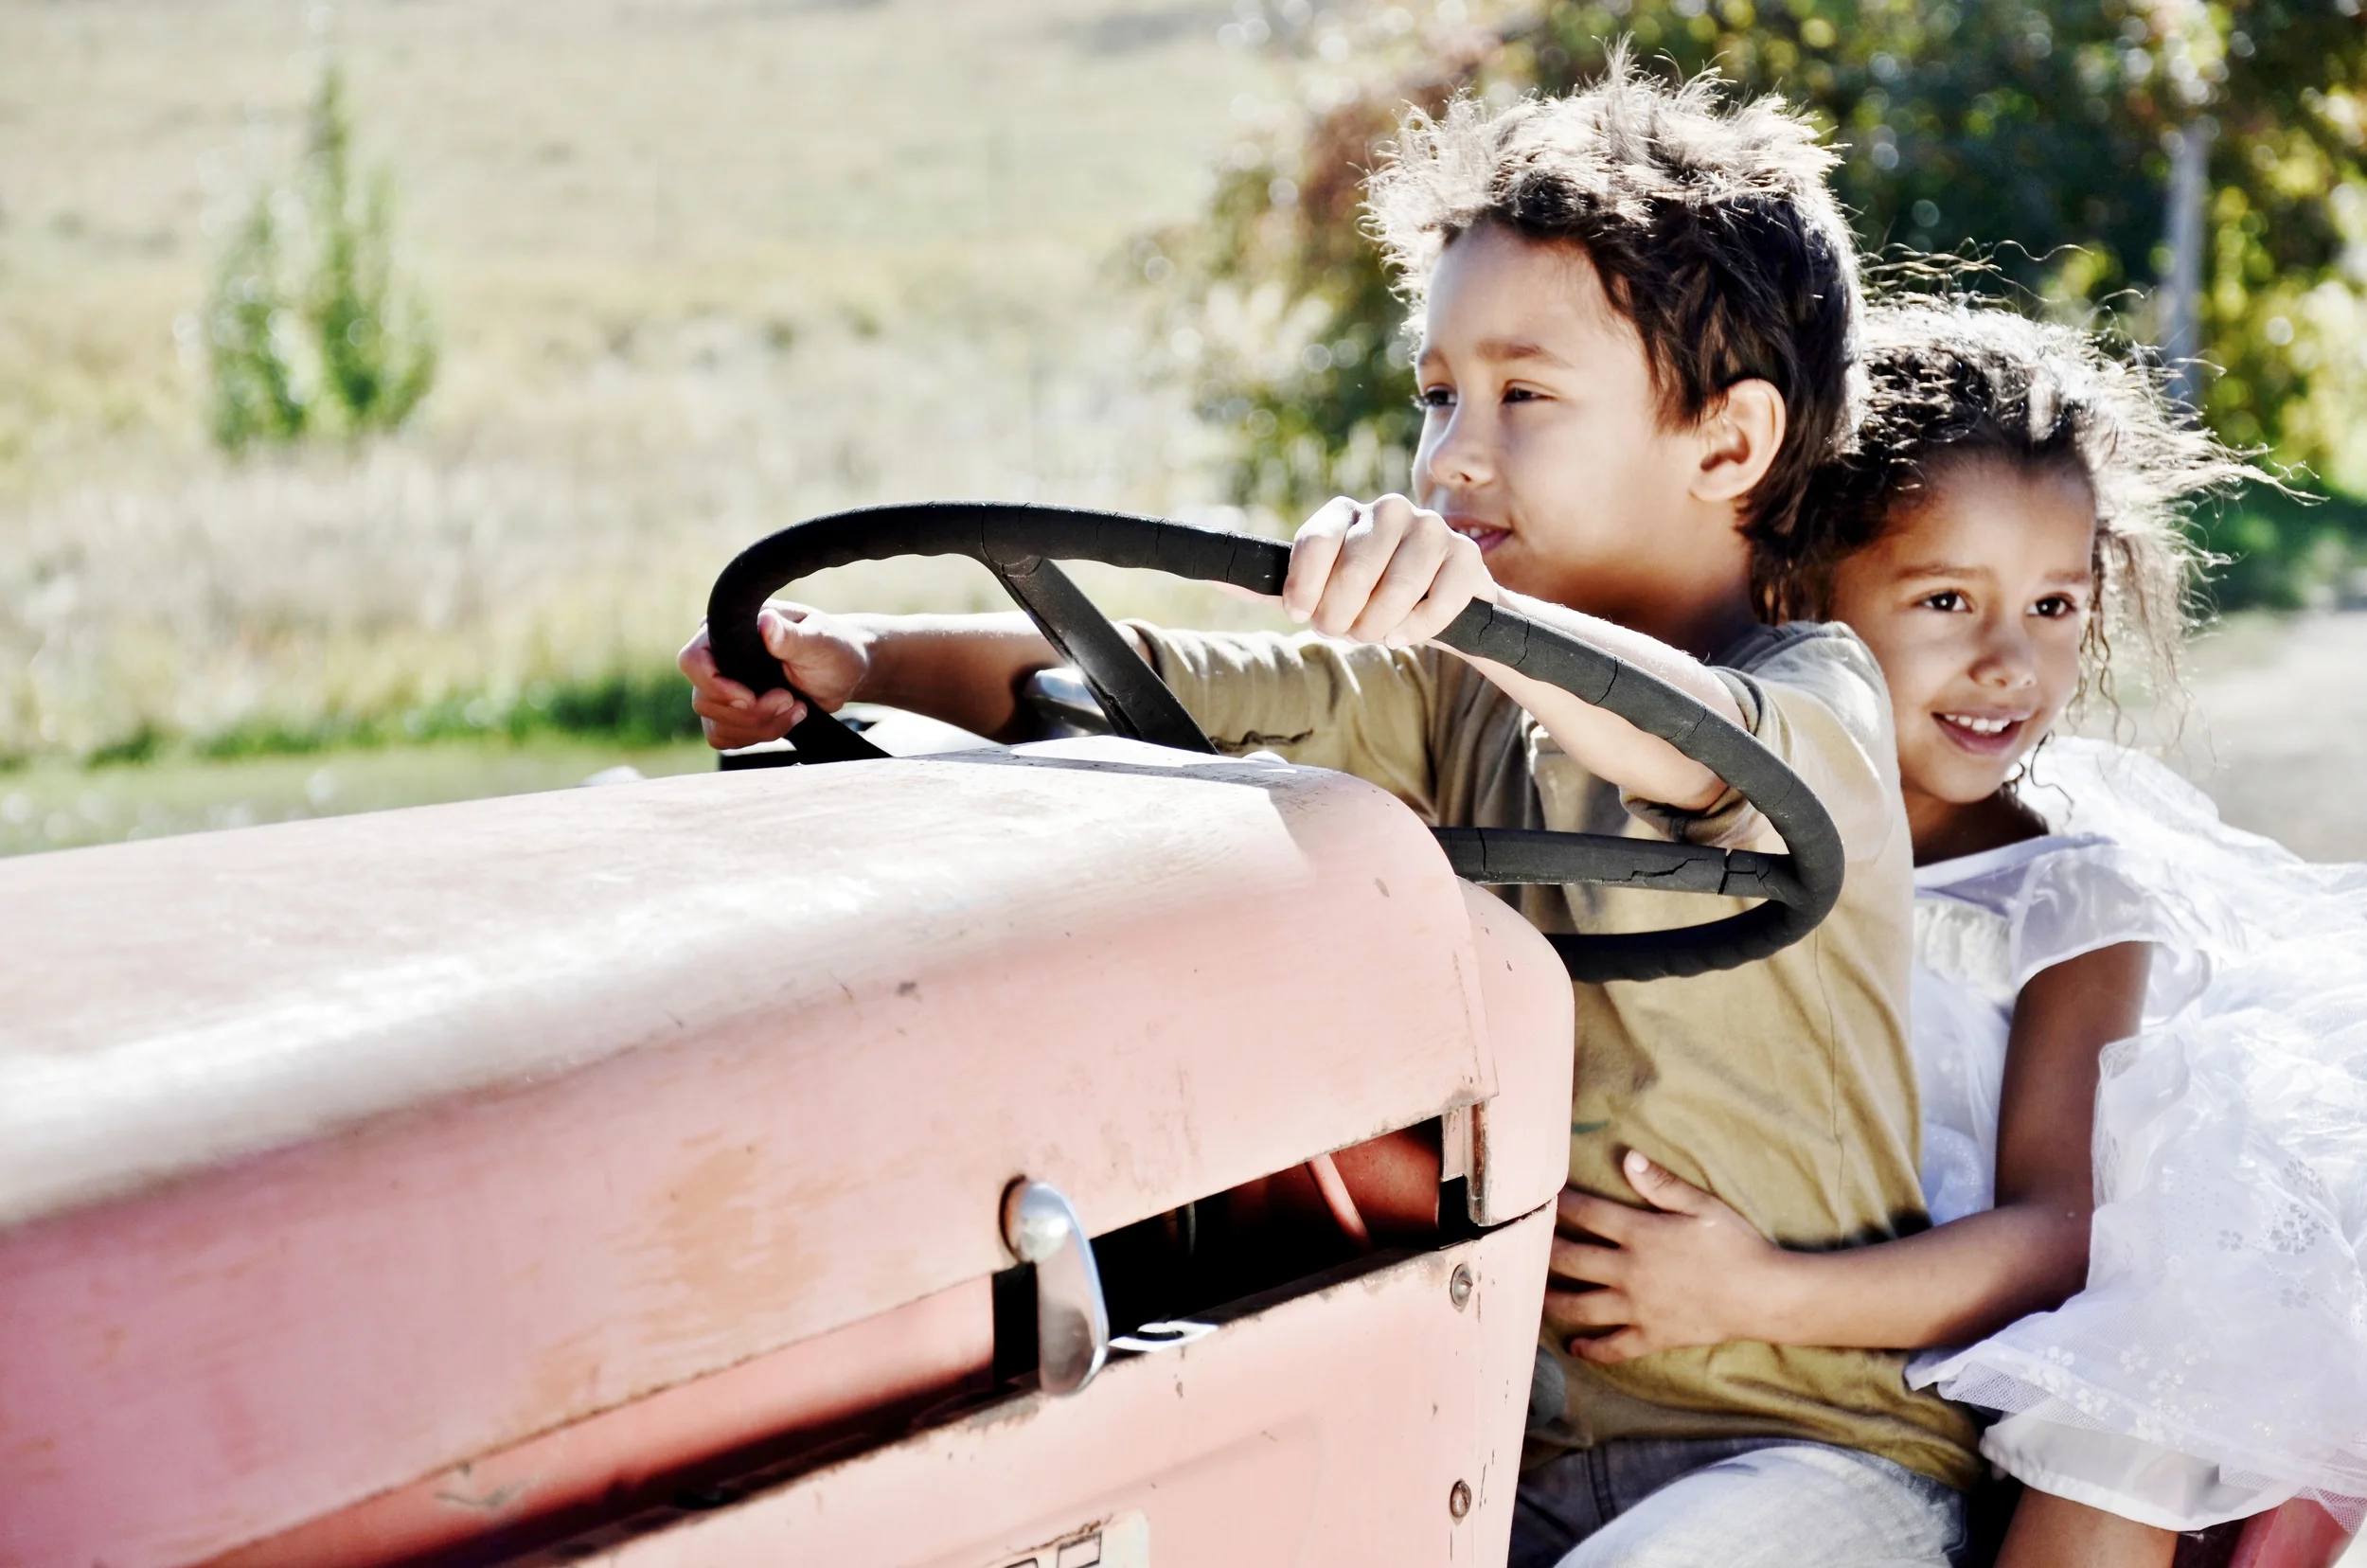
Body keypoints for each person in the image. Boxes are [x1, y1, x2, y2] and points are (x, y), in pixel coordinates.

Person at [684, 59, 1984, 1566]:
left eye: (1523, 396)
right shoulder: (1450, 699)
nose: (1453, 456)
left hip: (1815, 1452)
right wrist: (863, 659)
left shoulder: (1814, 695)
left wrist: (1471, 608)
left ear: (1728, 445)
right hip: (1505, 1431)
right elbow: (1151, 681)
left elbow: (1700, 749)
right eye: (1437, 396)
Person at [1554, 300, 2367, 1565]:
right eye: (1947, 599)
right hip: (1693, 1389)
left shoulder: (2067, 900)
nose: (2010, 664)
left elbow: (2057, 1229)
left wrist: (1761, 1291)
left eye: (2054, 607)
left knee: (2119, 1421)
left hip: (1949, 1408)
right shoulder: (1697, 830)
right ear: (1797, 588)